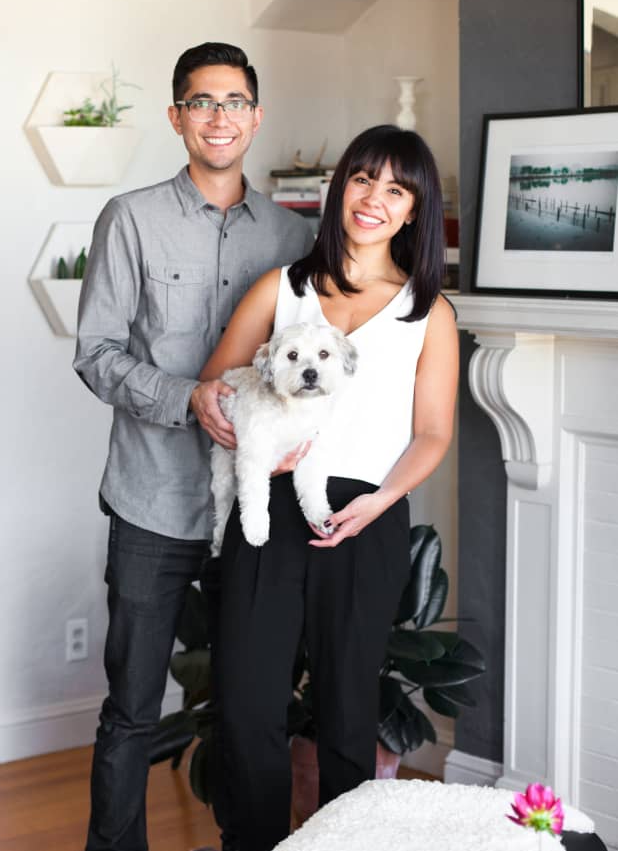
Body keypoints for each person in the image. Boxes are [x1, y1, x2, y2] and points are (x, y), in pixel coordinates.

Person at [73, 42, 313, 851]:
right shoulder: (130, 219)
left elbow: (312, 359)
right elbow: (96, 352)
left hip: (252, 508)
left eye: (235, 101)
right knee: (133, 710)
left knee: (254, 712)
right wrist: (186, 399)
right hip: (151, 501)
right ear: (177, 117)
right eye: (202, 102)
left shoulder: (291, 236)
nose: (220, 117)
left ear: (257, 115)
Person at [199, 124, 459, 851]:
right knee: (250, 704)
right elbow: (215, 388)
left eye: (396, 188)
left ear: (414, 210)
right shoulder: (281, 289)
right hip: (272, 515)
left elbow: (433, 432)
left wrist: (379, 501)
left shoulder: (427, 312)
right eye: (363, 178)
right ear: (339, 187)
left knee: (348, 714)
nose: (374, 198)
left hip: (368, 516)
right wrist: (247, 433)